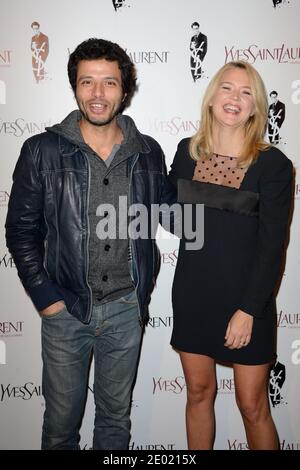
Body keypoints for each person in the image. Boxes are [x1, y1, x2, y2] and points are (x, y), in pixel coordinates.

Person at [5, 38, 174, 450]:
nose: (98, 95)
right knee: (60, 428)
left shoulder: (148, 152)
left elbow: (172, 213)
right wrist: (46, 297)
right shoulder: (41, 151)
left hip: (125, 308)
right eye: (88, 83)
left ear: (124, 89)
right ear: (75, 87)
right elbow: (20, 230)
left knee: (115, 423)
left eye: (109, 83)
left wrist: (222, 176)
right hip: (66, 310)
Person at [168, 61, 293, 450]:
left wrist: (248, 310)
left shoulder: (272, 164)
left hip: (246, 301)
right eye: (227, 88)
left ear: (256, 107)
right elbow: (176, 222)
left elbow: (273, 244)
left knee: (252, 405)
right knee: (198, 394)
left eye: (245, 92)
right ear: (211, 98)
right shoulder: (187, 154)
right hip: (194, 295)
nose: (234, 99)